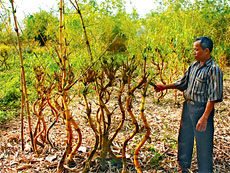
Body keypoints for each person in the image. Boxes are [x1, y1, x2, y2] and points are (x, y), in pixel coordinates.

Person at [154, 36, 223, 173]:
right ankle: (183, 166)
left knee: (203, 143)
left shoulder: (214, 69)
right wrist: (164, 87)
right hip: (188, 107)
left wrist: (204, 118)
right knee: (185, 137)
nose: (194, 52)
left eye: (196, 50)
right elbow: (182, 83)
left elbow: (213, 96)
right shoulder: (194, 66)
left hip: (202, 109)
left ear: (206, 51)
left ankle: (205, 170)